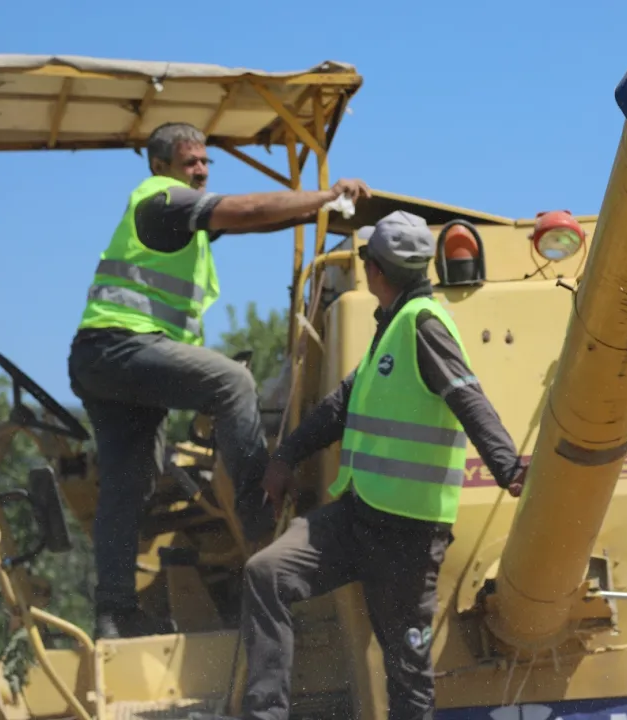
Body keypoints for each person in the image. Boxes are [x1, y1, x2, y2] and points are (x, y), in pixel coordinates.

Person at [205, 210, 528, 720]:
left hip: (408, 539)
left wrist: (509, 468)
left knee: (407, 677)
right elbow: (340, 406)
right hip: (357, 518)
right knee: (267, 572)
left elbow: (469, 397)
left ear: (375, 270)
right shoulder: (391, 328)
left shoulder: (423, 325)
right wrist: (285, 456)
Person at [67, 121, 372, 640]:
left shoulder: (179, 217)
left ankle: (115, 611)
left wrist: (320, 210)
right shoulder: (161, 200)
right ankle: (260, 522)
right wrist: (327, 195)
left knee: (129, 484)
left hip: (105, 360)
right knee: (232, 383)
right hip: (121, 348)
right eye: (191, 162)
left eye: (206, 161)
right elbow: (247, 210)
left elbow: (256, 221)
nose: (202, 170)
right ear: (160, 166)